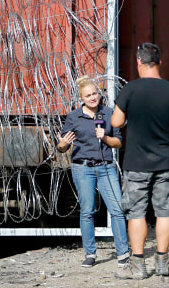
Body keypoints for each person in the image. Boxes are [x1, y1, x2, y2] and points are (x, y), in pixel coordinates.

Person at [111, 43, 169, 279]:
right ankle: (163, 263)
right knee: (165, 211)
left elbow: (115, 122)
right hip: (165, 161)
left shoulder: (130, 90)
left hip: (136, 163)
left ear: (138, 62)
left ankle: (138, 265)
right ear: (159, 62)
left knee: (136, 213)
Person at [58, 76, 130, 269]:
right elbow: (62, 146)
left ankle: (123, 252)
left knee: (116, 210)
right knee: (87, 212)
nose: (93, 98)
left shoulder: (109, 114)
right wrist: (62, 145)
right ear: (81, 98)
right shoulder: (73, 117)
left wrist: (105, 137)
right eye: (88, 95)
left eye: (95, 93)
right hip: (83, 168)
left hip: (105, 167)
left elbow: (118, 142)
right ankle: (90, 253)